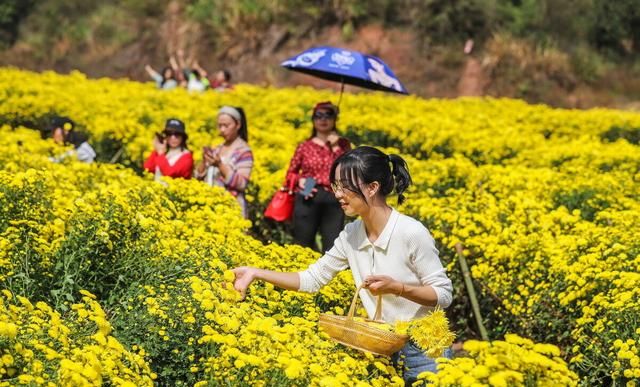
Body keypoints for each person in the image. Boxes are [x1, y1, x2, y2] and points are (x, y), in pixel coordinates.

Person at [233, 146, 454, 385]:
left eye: (344, 186)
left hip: (424, 350)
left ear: (372, 188)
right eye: (335, 185)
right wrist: (256, 272)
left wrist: (398, 288)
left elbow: (443, 294)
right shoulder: (351, 233)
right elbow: (312, 279)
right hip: (380, 346)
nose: (337, 194)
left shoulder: (411, 232)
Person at [285, 101, 351, 252]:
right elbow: (290, 173)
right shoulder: (304, 146)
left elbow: (347, 169)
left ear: (335, 119)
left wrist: (335, 147)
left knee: (333, 246)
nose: (323, 119)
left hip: (335, 196)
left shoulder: (343, 145)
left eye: (328, 115)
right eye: (318, 116)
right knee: (302, 243)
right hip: (308, 193)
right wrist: (300, 180)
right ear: (313, 120)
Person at [194, 106, 253, 218]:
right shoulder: (217, 149)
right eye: (220, 126)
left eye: (226, 126)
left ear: (238, 125)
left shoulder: (244, 152)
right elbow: (198, 177)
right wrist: (204, 160)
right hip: (210, 208)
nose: (222, 130)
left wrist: (220, 165)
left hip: (231, 212)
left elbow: (241, 183)